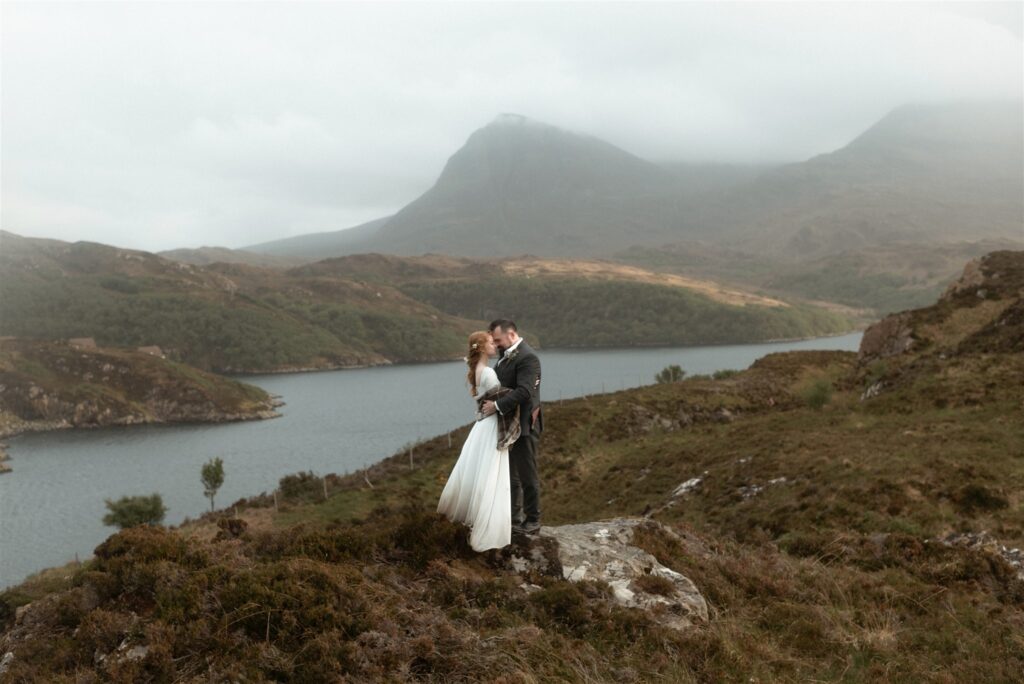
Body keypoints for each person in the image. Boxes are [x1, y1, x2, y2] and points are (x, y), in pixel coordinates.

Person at [437, 331, 512, 551]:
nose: (494, 345)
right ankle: (489, 528)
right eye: (490, 342)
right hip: (490, 427)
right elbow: (503, 397)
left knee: (480, 472)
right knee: (491, 473)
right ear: (480, 347)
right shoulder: (488, 372)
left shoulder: (477, 371)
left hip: (481, 426)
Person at [480, 319, 543, 536]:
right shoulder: (503, 358)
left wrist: (496, 406)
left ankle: (533, 519)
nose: (496, 344)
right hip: (508, 425)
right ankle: (514, 520)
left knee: (527, 474)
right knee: (511, 476)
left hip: (525, 423)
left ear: (512, 334)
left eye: (498, 340)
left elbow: (525, 391)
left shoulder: (528, 357)